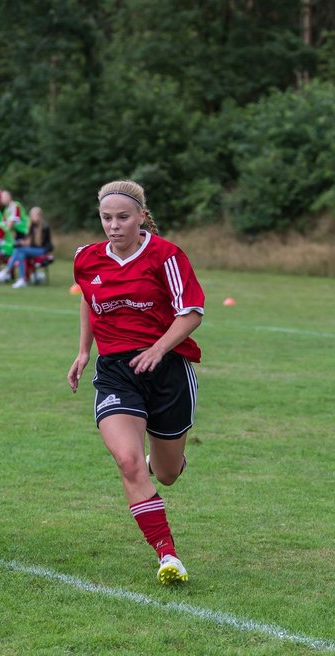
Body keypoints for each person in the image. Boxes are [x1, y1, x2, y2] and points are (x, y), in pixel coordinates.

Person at [66, 180, 205, 585]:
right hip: (115, 373)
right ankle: (168, 554)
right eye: (106, 218)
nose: (113, 225)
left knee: (167, 473)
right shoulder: (87, 259)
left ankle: (159, 464)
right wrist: (82, 352)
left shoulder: (166, 255)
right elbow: (89, 300)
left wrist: (159, 349)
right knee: (127, 460)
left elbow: (192, 312)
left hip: (167, 371)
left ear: (141, 216)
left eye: (122, 217)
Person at [0, 205, 53, 287]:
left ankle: (7, 270)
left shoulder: (45, 227)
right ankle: (22, 279)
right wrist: (23, 242)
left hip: (42, 250)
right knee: (21, 254)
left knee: (20, 250)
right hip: (32, 249)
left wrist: (26, 244)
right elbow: (29, 242)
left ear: (40, 216)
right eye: (32, 215)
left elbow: (39, 244)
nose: (34, 217)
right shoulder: (31, 226)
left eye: (36, 215)